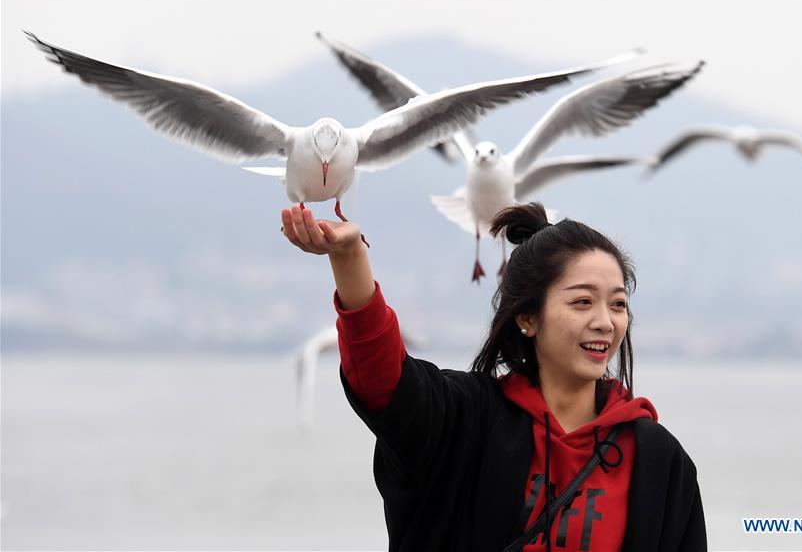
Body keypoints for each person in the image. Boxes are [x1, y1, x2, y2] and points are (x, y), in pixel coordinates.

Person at [280, 201, 706, 552]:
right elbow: (385, 383)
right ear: (527, 318)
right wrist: (349, 256)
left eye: (617, 304)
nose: (605, 322)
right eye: (582, 302)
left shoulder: (659, 461)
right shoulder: (468, 419)